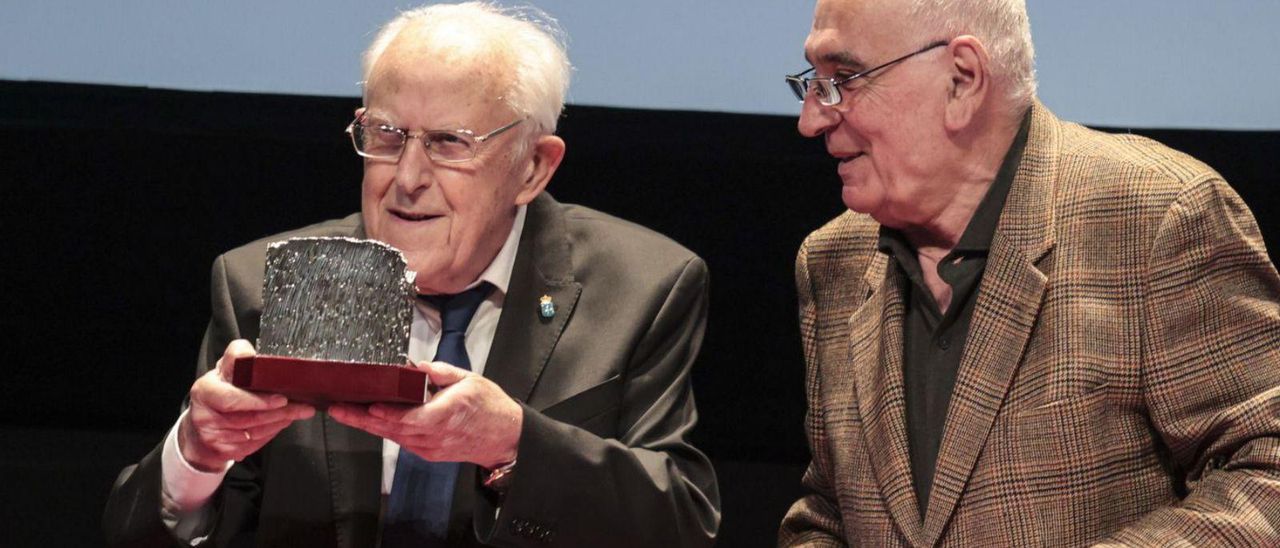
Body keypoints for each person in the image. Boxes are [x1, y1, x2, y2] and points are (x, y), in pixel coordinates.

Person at [104, 3, 720, 546]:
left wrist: (512, 445)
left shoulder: (643, 288)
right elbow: (140, 534)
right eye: (387, 136)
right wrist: (197, 455)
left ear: (533, 166)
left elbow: (681, 523)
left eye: (450, 142)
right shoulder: (264, 284)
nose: (407, 177)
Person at [778, 0, 1280, 545]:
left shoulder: (1157, 216)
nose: (811, 119)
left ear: (962, 80)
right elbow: (828, 513)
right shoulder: (833, 260)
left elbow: (1267, 470)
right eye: (813, 81)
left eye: (844, 79)